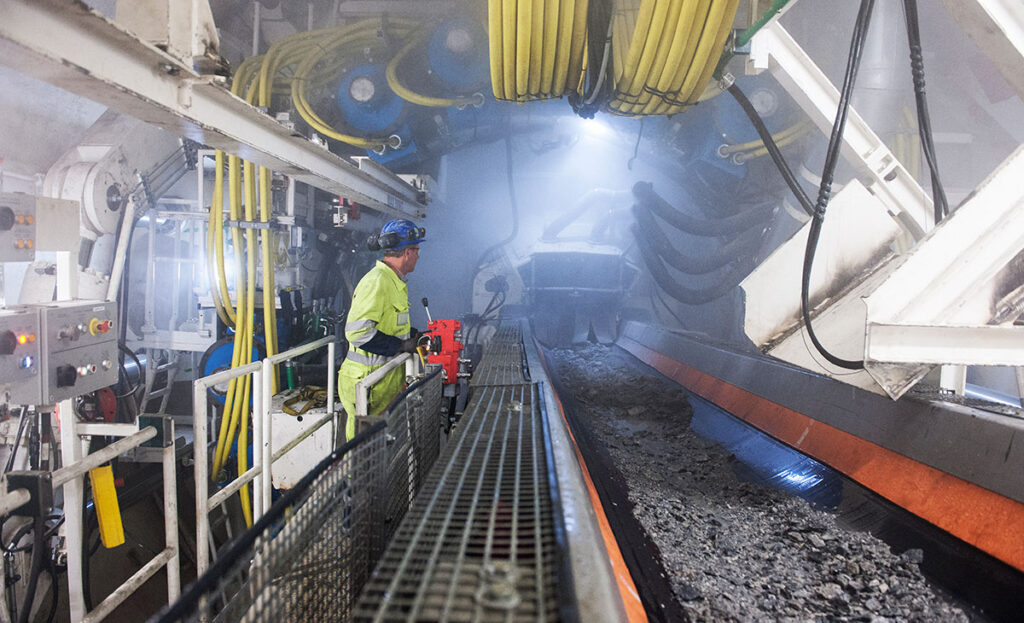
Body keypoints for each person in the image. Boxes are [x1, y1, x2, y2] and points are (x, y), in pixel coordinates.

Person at [338, 218, 426, 440]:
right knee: (362, 454)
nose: (418, 256)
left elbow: (388, 323)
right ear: (407, 252)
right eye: (416, 250)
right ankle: (353, 477)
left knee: (375, 452)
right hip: (366, 386)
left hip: (380, 386)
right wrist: (400, 345)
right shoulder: (377, 281)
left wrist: (412, 336)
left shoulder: (394, 281)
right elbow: (357, 332)